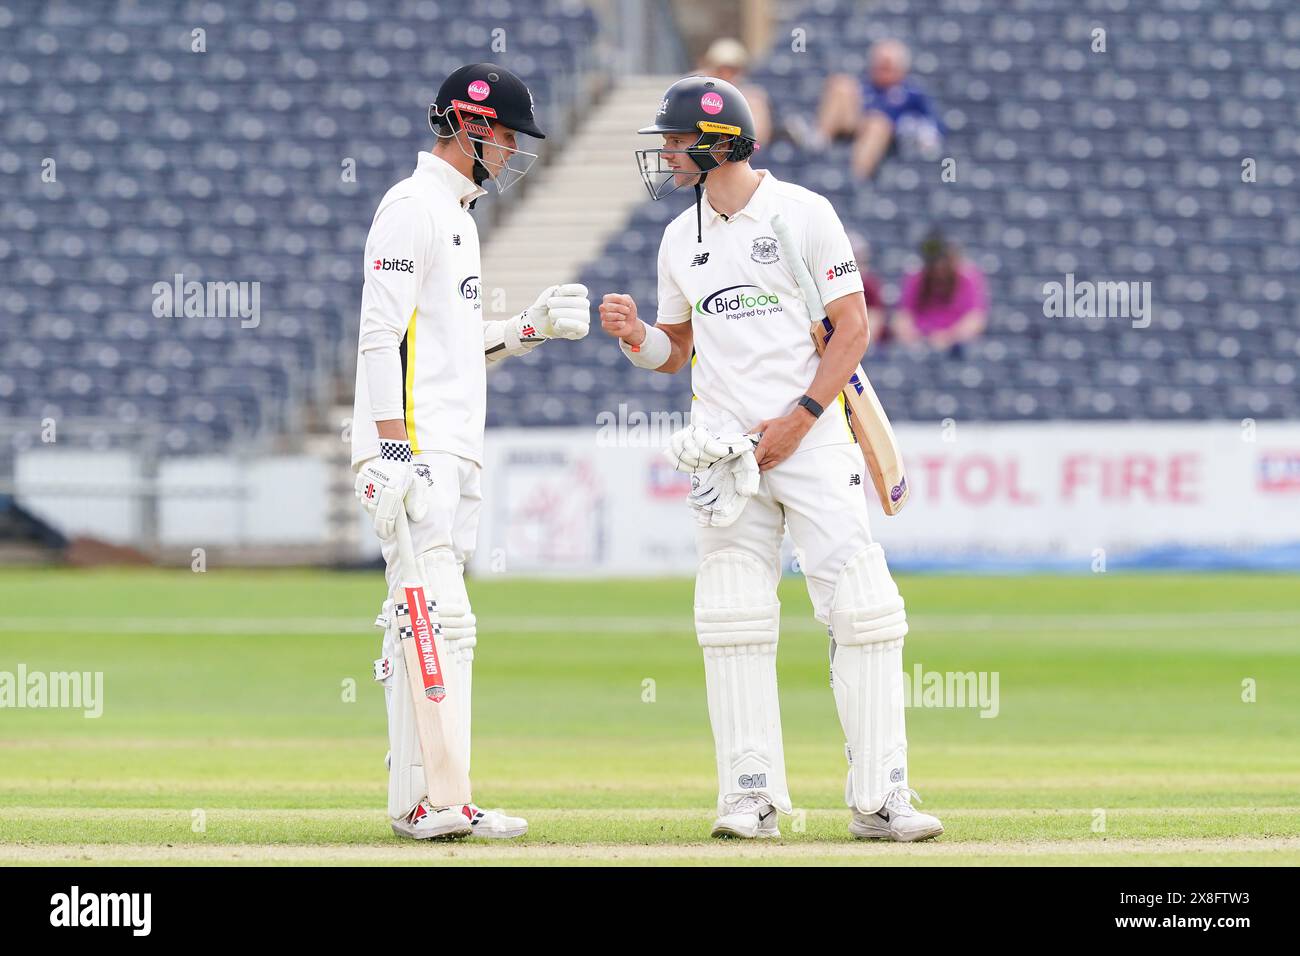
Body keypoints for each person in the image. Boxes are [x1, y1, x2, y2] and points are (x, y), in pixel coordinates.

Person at [601, 75, 943, 842]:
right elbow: (676, 349)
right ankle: (750, 796)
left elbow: (851, 329)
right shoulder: (677, 237)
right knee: (732, 617)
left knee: (864, 609)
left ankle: (882, 797)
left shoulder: (802, 213)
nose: (665, 155)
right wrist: (635, 337)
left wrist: (801, 417)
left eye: (675, 140)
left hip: (814, 441)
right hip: (726, 456)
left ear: (718, 141)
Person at [351, 63, 591, 841]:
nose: (516, 149)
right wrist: (390, 452)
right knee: (434, 619)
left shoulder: (458, 215)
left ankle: (436, 798)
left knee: (435, 625)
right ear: (470, 126)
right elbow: (379, 336)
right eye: (508, 134)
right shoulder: (410, 207)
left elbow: (447, 349)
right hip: (415, 451)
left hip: (452, 449)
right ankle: (429, 803)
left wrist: (528, 329)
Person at [813, 39, 942, 179]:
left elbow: (932, 126)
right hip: (855, 128)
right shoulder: (865, 88)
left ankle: (855, 178)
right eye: (878, 65)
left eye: (887, 66)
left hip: (889, 139)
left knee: (877, 124)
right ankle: (817, 143)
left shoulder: (911, 94)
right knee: (841, 84)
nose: (881, 70)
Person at [893, 230, 987, 353]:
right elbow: (902, 318)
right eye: (934, 263)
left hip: (956, 349)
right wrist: (913, 338)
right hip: (921, 345)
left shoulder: (968, 277)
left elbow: (976, 319)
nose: (939, 269)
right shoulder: (916, 278)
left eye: (943, 262)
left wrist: (948, 337)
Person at [698, 37, 772, 146]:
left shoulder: (753, 98)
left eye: (732, 70)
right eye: (721, 70)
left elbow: (757, 137)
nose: (726, 75)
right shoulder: (696, 90)